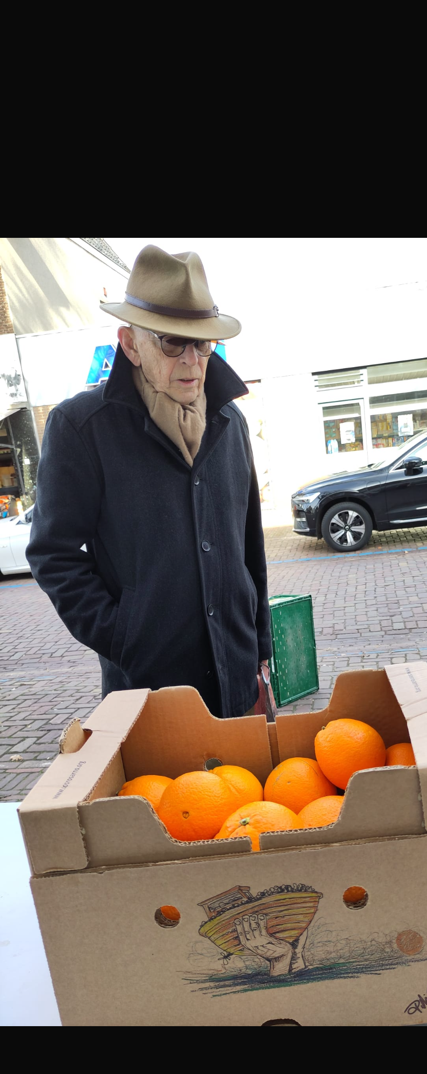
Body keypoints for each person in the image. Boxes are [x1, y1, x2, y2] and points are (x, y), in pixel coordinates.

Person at [26, 245, 272, 719]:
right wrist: (123, 636)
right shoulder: (82, 428)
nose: (192, 360)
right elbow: (52, 554)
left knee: (247, 795)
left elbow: (249, 546)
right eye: (171, 341)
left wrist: (260, 648)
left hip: (237, 680)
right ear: (131, 342)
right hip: (148, 694)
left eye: (202, 343)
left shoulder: (231, 421)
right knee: (167, 798)